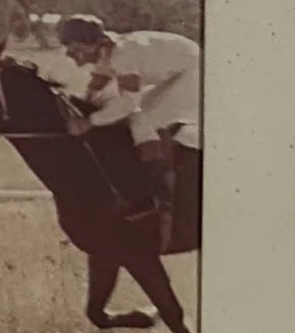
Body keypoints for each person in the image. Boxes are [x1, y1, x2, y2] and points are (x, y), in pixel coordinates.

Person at [58, 14, 201, 239]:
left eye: (73, 47)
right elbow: (95, 90)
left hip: (194, 73)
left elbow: (128, 102)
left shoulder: (123, 55)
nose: (69, 53)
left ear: (89, 43)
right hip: (180, 69)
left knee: (141, 119)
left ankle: (159, 196)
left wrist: (89, 122)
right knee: (132, 115)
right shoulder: (107, 51)